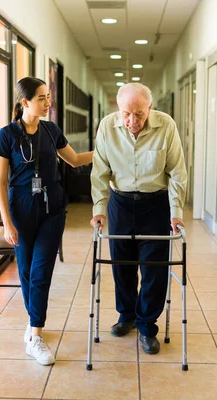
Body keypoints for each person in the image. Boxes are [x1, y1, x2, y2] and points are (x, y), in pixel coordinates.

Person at [0, 77, 93, 365]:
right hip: (21, 210)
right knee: (25, 271)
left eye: (48, 97)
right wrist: (7, 223)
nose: (48, 103)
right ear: (25, 102)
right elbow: (0, 182)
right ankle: (33, 319)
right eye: (41, 98)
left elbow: (73, 160)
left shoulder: (51, 131)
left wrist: (105, 154)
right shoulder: (7, 135)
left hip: (52, 208)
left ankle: (35, 335)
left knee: (40, 271)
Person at [90, 83, 187, 354]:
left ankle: (147, 326)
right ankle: (127, 316)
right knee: (122, 266)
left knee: (154, 269)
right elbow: (100, 171)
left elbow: (177, 172)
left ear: (150, 108)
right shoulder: (107, 127)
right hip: (120, 203)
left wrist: (176, 212)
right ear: (118, 110)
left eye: (139, 114)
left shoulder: (166, 126)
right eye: (126, 114)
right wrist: (99, 208)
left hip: (155, 204)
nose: (132, 121)